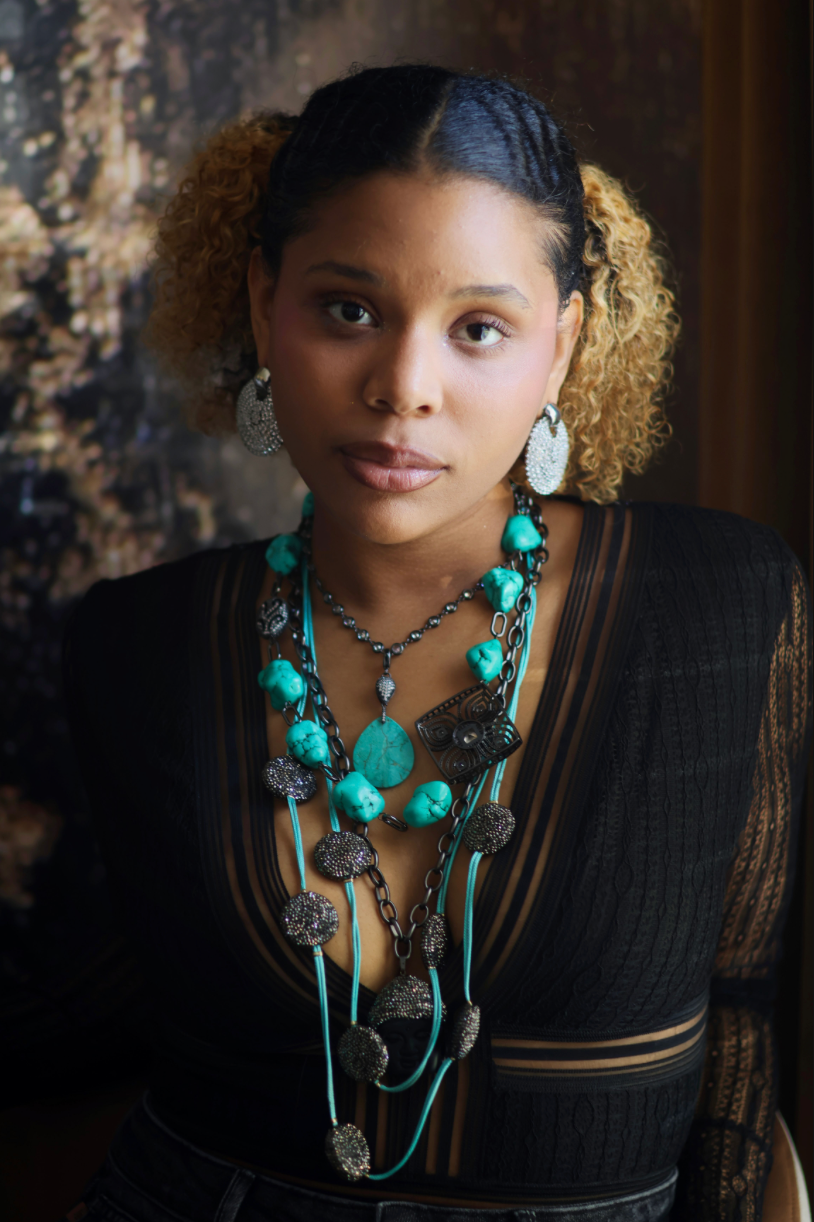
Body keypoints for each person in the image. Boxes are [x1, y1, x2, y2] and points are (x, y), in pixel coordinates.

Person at [61, 65, 811, 1222]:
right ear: (265, 304)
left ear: (559, 348)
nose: (403, 387)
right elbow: (92, 1008)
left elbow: (745, 1012)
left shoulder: (718, 608)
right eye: (347, 309)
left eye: (478, 328)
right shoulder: (139, 642)